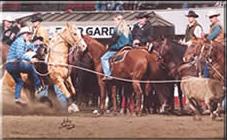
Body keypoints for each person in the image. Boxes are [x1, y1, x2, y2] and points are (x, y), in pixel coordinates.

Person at [5, 26, 44, 105]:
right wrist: (31, 60)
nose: (30, 36)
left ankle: (17, 98)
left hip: (10, 66)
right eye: (29, 34)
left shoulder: (23, 41)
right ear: (24, 34)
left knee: (19, 82)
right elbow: (19, 55)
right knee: (31, 67)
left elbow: (31, 46)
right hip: (14, 64)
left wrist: (37, 44)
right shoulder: (20, 41)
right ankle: (38, 86)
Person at [101, 14, 132, 80]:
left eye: (115, 20)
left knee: (103, 58)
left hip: (119, 47)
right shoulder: (127, 29)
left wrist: (110, 46)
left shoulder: (117, 29)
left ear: (118, 20)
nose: (114, 22)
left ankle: (107, 75)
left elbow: (114, 40)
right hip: (128, 47)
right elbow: (131, 40)